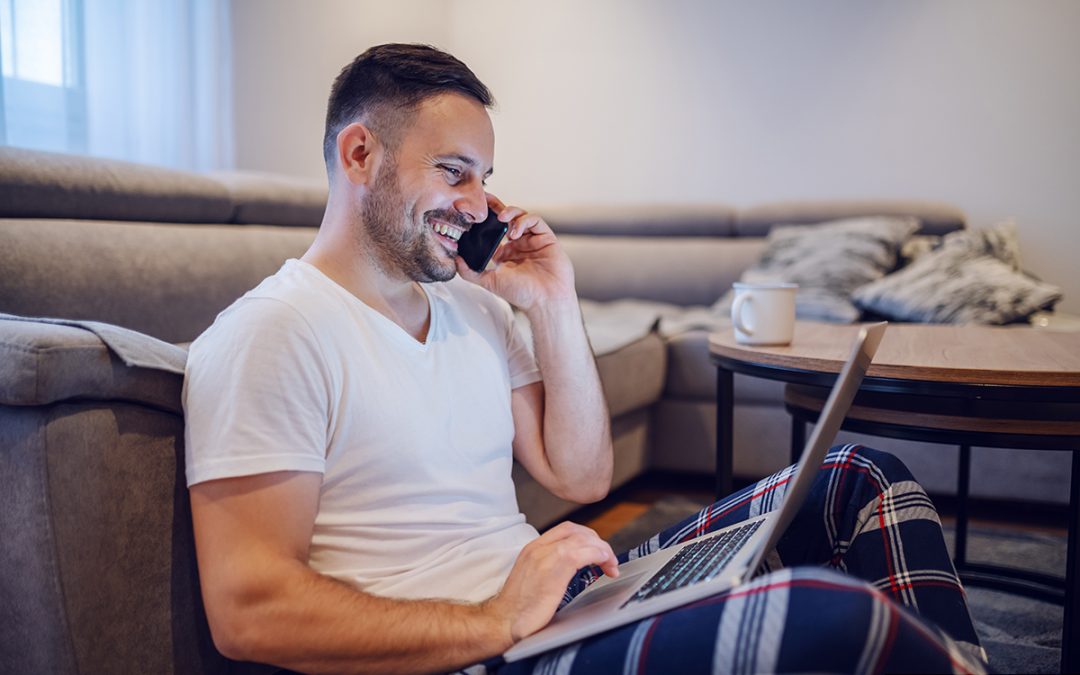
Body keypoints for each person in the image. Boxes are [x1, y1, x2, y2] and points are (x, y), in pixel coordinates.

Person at [183, 43, 988, 674]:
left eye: (485, 179)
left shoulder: (476, 309)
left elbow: (581, 477)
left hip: (557, 603)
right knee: (826, 615)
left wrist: (551, 300)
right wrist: (497, 617)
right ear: (361, 155)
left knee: (860, 477)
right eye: (453, 171)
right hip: (473, 648)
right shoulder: (273, 333)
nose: (475, 204)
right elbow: (249, 610)